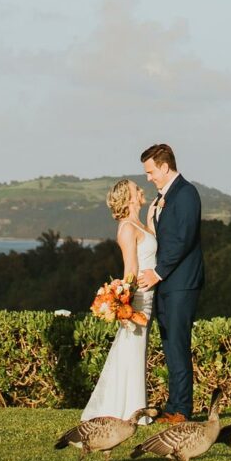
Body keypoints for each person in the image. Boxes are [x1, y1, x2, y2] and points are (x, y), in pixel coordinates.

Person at [136, 141, 203, 420]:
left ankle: (182, 410)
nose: (149, 178)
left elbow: (183, 240)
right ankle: (174, 405)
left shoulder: (186, 193)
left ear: (164, 167)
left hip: (181, 283)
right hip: (166, 284)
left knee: (178, 345)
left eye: (151, 172)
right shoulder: (162, 197)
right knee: (170, 345)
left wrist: (157, 272)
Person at [77, 179, 153, 423]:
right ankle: (131, 410)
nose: (141, 190)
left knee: (136, 349)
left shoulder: (140, 223)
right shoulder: (127, 228)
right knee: (132, 348)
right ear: (129, 198)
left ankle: (133, 406)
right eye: (136, 189)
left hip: (151, 293)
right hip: (140, 296)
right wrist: (125, 300)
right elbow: (130, 268)